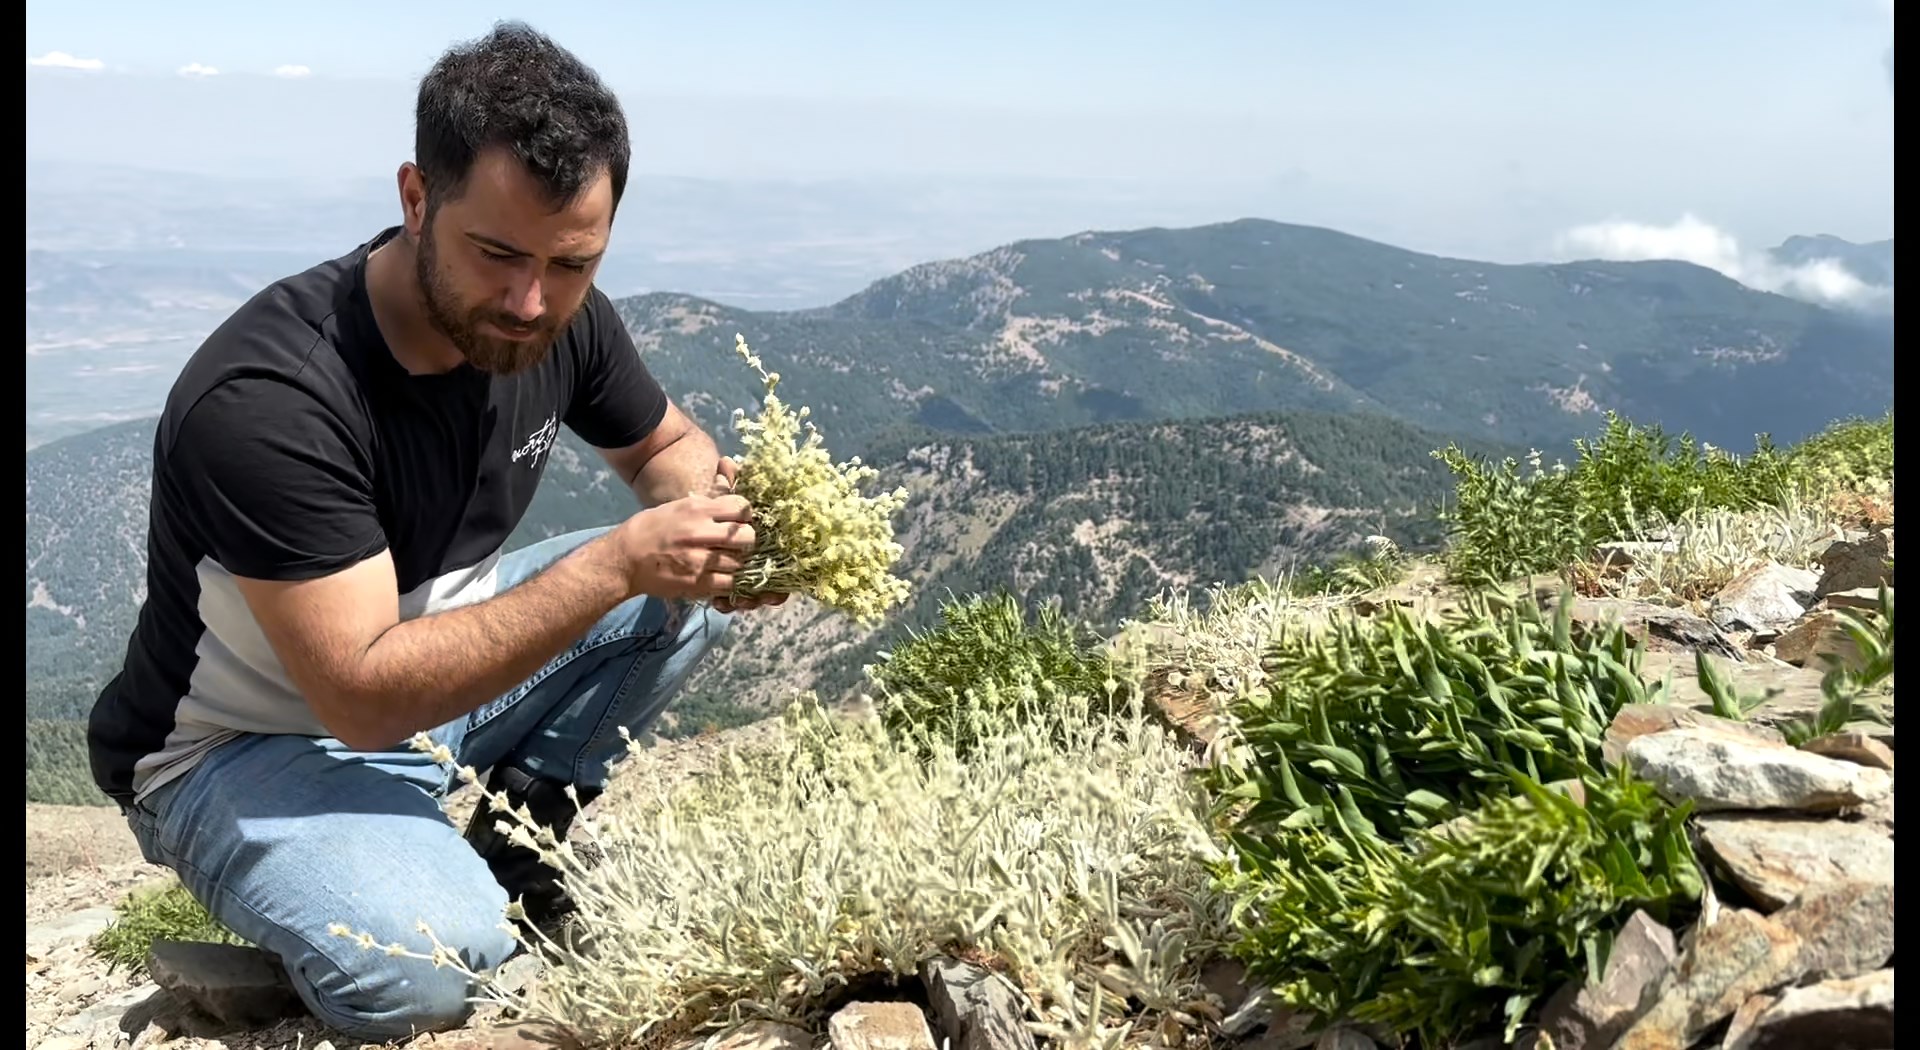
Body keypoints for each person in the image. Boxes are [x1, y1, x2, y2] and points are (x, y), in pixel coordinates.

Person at [84, 21, 784, 1040]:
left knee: (689, 589)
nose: (529, 301)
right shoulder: (274, 398)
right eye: (495, 254)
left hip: (423, 690)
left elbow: (665, 447)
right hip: (241, 746)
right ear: (417, 198)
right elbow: (362, 699)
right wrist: (618, 562)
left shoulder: (561, 315)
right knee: (434, 972)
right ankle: (401, 901)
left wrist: (724, 522)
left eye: (572, 261)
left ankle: (515, 858)